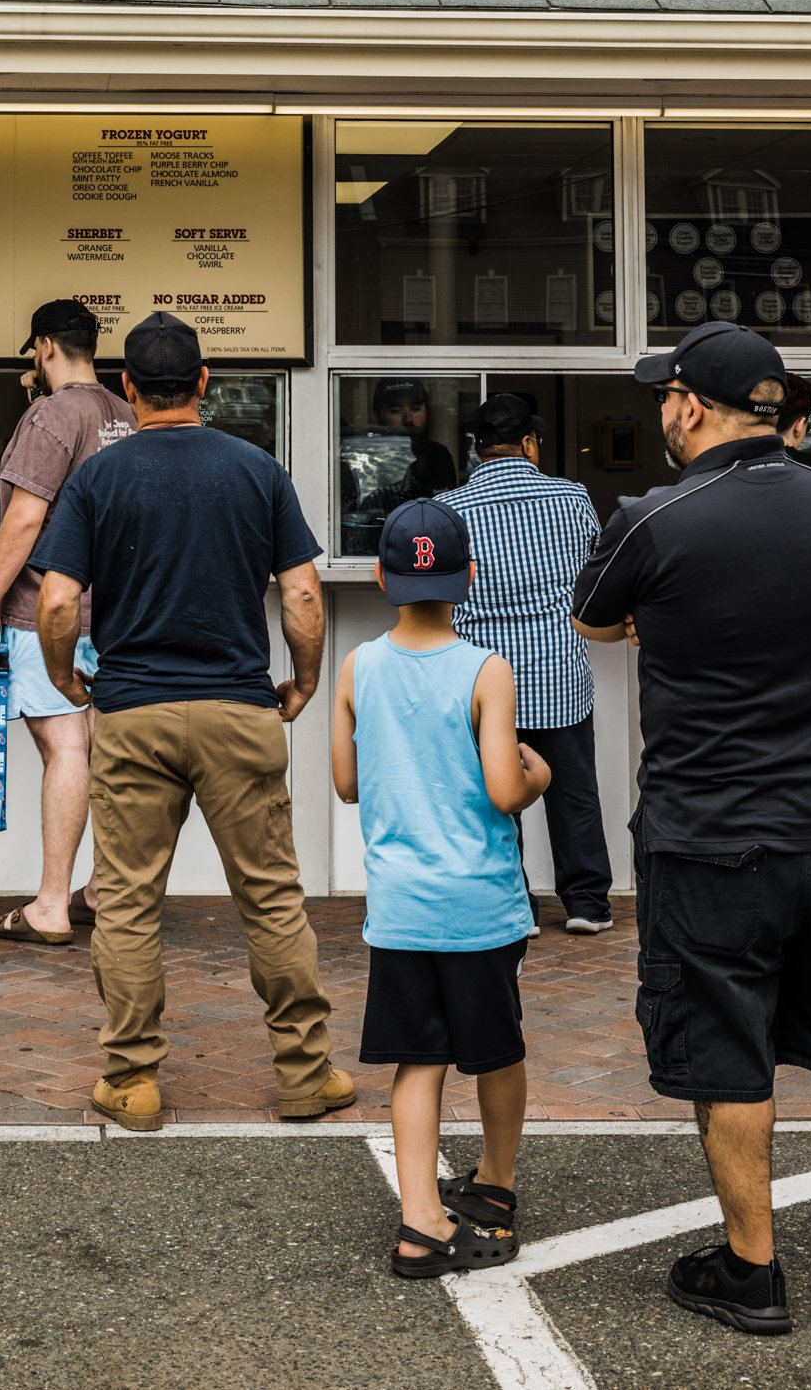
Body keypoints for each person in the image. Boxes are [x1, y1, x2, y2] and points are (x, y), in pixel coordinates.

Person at [572, 320, 811, 1334]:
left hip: (707, 831)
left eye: (666, 394)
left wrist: (665, 615)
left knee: (730, 1045)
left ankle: (753, 1269)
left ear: (692, 405)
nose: (662, 408)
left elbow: (595, 619)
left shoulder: (656, 516)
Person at [35, 310, 354, 1132]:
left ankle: (133, 1081)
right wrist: (304, 683)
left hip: (132, 713)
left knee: (131, 902)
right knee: (272, 899)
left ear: (129, 389)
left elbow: (62, 598)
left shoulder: (97, 480)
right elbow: (304, 594)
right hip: (239, 708)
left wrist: (66, 675)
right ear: (206, 384)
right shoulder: (256, 469)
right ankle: (304, 1074)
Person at [332, 496, 549, 1279]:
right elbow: (503, 788)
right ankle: (493, 1185)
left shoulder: (357, 666)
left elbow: (347, 783)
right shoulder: (487, 669)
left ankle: (420, 1219)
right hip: (481, 905)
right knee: (496, 1050)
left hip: (401, 906)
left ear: (382, 575)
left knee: (418, 1061)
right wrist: (540, 773)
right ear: (470, 578)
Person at [0, 298, 134, 945]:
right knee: (103, 752)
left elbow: (25, 517)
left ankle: (49, 904)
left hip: (51, 614)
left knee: (65, 750)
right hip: (116, 614)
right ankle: (97, 888)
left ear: (43, 347)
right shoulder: (125, 413)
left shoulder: (49, 415)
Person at [448, 392, 611, 935]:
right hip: (560, 671)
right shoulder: (572, 497)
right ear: (527, 444)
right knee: (575, 794)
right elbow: (596, 574)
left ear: (478, 449)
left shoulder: (451, 509)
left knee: (497, 798)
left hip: (484, 677)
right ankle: (587, 904)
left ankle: (516, 904)